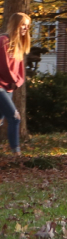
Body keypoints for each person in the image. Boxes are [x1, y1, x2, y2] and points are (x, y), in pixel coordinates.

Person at [0, 13, 29, 153]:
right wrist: (13, 80)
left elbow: (20, 70)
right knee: (15, 117)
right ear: (15, 24)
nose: (25, 28)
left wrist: (17, 82)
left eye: (27, 26)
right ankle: (16, 153)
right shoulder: (3, 41)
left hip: (8, 88)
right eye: (23, 24)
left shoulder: (19, 45)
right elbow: (3, 65)